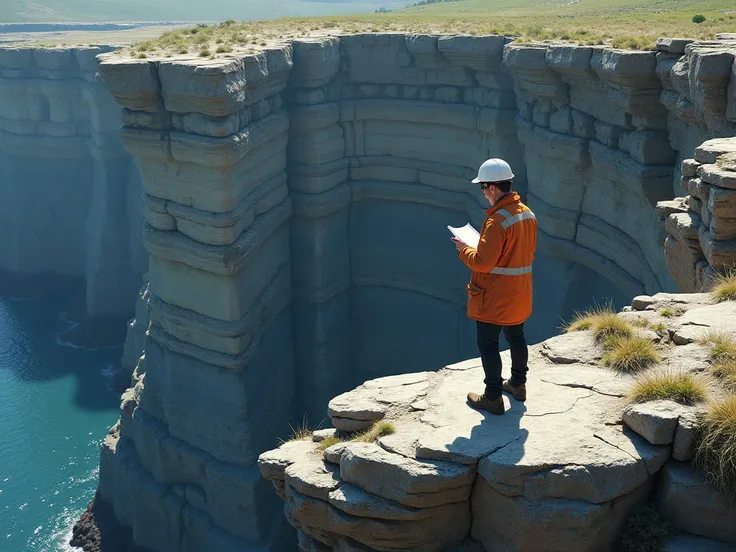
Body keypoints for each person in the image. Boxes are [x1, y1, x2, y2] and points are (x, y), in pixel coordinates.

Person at [452, 158, 538, 416]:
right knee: (516, 337)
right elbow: (524, 253)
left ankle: (492, 398)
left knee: (488, 344)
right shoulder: (527, 214)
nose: (483, 193)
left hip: (494, 297)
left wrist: (463, 249)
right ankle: (518, 385)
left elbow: (483, 262)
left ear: (491, 188)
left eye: (482, 188)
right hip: (520, 292)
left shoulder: (497, 220)